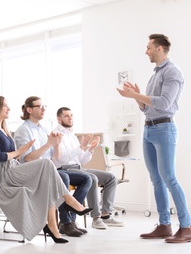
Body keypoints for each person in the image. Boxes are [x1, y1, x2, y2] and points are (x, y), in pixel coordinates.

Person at [0, 95, 92, 242]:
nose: (8, 108)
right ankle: (70, 202)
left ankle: (53, 225)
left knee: (48, 175)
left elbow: (13, 157)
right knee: (47, 165)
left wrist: (54, 144)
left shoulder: (4, 130)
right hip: (3, 174)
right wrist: (19, 152)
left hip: (12, 167)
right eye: (5, 106)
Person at [117, 34, 191, 243]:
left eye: (149, 47)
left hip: (164, 129)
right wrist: (138, 97)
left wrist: (135, 96)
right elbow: (148, 107)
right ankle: (165, 225)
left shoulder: (173, 72)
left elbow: (165, 103)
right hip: (149, 130)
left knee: (169, 178)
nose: (146, 51)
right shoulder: (155, 74)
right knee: (156, 180)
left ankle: (186, 227)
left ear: (160, 49)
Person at [14, 96, 92, 237]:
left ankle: (68, 214)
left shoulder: (43, 129)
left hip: (48, 170)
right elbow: (27, 158)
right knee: (63, 177)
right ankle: (66, 221)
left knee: (86, 179)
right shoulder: (23, 130)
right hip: (32, 172)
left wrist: (56, 144)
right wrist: (49, 144)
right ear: (30, 109)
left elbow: (55, 157)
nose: (44, 109)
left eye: (44, 106)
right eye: (40, 106)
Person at [52, 107, 125, 229]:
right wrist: (81, 146)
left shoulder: (72, 135)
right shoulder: (57, 135)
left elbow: (82, 160)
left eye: (71, 115)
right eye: (66, 116)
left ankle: (106, 215)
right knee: (91, 178)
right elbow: (60, 159)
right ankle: (96, 218)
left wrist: (90, 149)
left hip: (78, 168)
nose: (70, 118)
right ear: (59, 119)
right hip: (65, 169)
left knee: (111, 178)